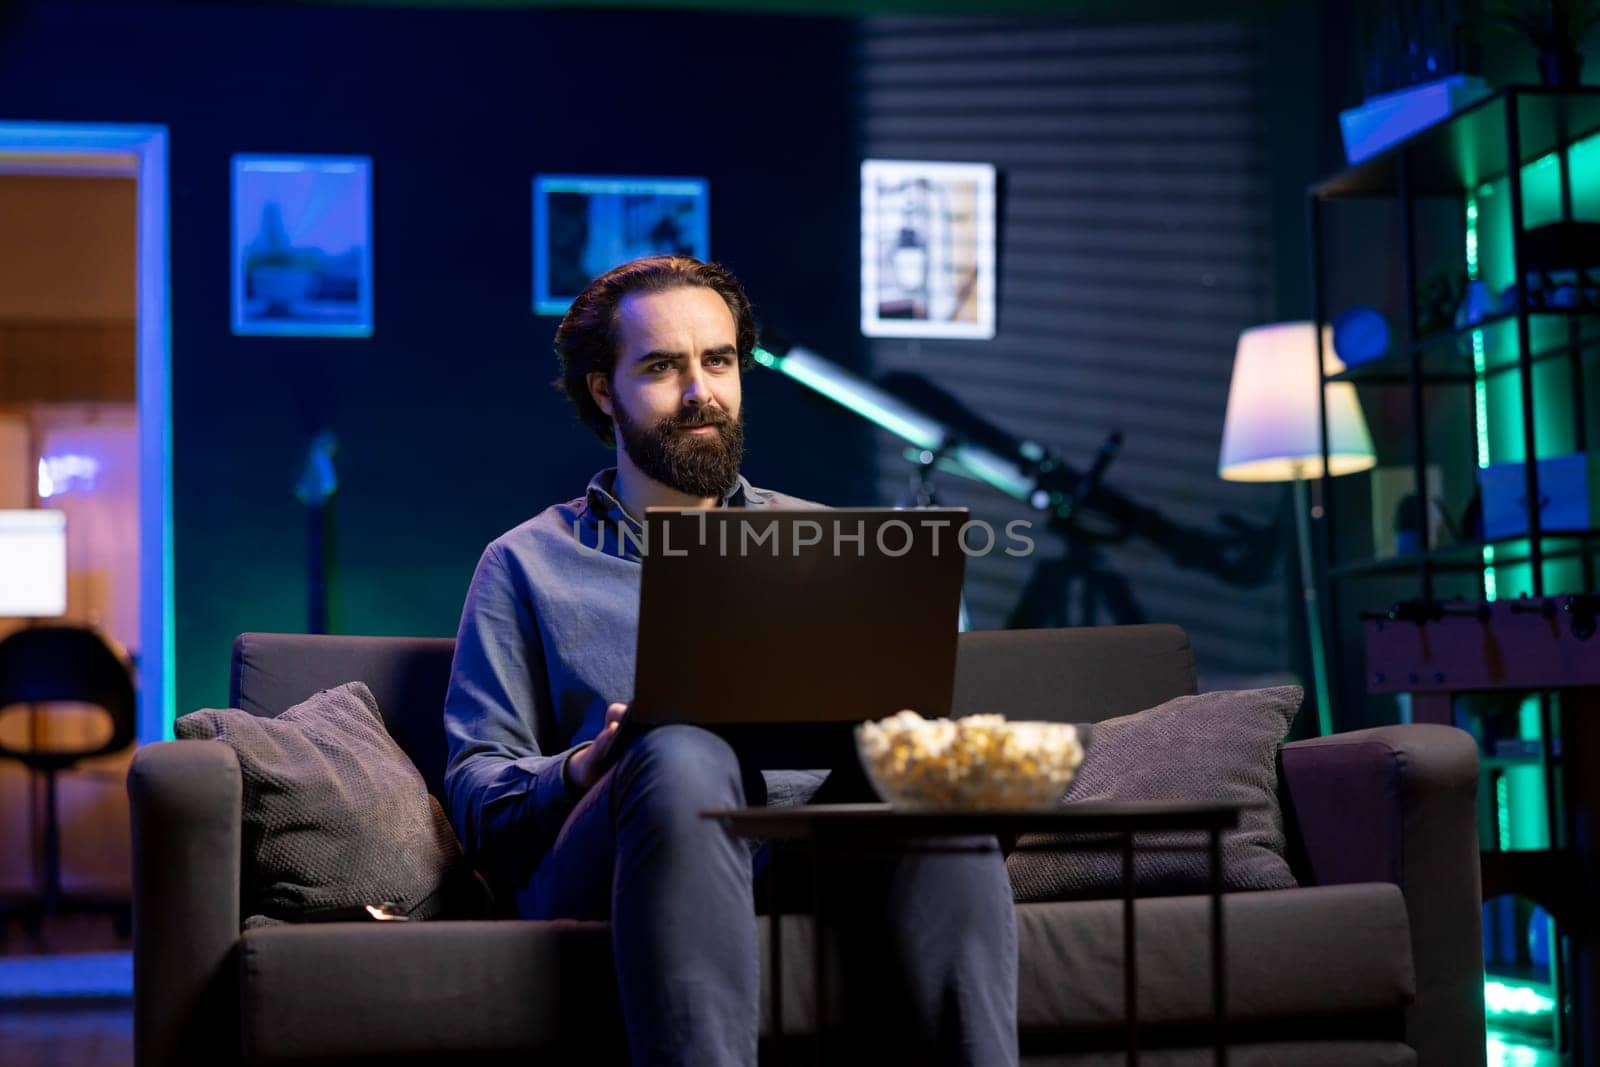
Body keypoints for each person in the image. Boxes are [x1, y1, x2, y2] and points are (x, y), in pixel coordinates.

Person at [443, 255, 1017, 1066]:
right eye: (661, 367)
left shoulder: (827, 542)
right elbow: (473, 790)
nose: (698, 392)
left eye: (717, 361)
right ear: (604, 390)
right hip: (623, 853)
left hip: (810, 849)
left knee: (921, 763)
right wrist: (588, 763)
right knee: (678, 748)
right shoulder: (525, 562)